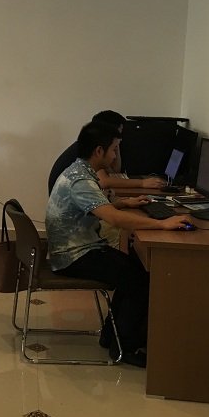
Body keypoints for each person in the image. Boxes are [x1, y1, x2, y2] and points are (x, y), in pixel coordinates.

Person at [45, 121, 191, 368]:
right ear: (99, 151)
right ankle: (124, 347)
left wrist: (123, 204)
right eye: (113, 149)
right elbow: (113, 219)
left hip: (77, 247)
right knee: (140, 281)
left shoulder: (80, 170)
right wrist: (163, 224)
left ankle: (112, 337)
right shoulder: (80, 180)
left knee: (134, 270)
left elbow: (97, 208)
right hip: (73, 255)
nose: (115, 156)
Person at [47, 110, 164, 195]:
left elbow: (114, 171)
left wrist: (115, 145)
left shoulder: (93, 147)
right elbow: (104, 181)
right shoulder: (90, 152)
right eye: (119, 131)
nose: (121, 136)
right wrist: (142, 183)